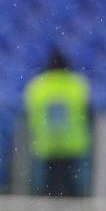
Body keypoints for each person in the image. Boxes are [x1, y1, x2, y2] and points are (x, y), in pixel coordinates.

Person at [24, 49, 91, 197]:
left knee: (48, 184)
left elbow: (30, 113)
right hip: (72, 144)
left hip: (47, 144)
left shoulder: (38, 86)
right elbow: (87, 111)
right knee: (72, 184)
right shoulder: (77, 84)